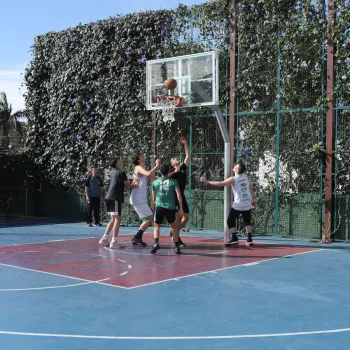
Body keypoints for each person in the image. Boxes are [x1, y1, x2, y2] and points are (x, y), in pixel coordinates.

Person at [200, 162, 256, 246]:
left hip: (238, 204)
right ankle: (249, 239)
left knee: (230, 220)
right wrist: (253, 200)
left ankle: (234, 238)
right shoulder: (246, 176)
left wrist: (207, 181)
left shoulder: (233, 179)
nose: (233, 166)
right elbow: (251, 188)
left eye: (235, 166)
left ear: (237, 170)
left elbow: (221, 184)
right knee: (247, 221)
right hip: (247, 203)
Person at [99, 157, 139, 249]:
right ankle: (114, 241)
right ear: (117, 163)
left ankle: (104, 238)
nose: (122, 161)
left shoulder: (113, 173)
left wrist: (132, 184)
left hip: (109, 197)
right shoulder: (121, 173)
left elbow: (121, 185)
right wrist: (135, 185)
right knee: (117, 219)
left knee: (113, 219)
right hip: (114, 198)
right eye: (119, 160)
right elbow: (128, 186)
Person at [150, 163, 183, 254]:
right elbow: (179, 195)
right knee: (174, 228)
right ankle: (176, 246)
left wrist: (152, 208)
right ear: (168, 171)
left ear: (159, 171)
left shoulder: (155, 182)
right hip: (170, 208)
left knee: (157, 226)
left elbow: (153, 198)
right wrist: (181, 208)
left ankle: (156, 243)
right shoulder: (173, 182)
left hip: (159, 207)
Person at [130, 153, 160, 247]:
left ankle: (137, 237)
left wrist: (166, 178)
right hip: (138, 198)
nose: (144, 156)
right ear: (138, 159)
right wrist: (157, 166)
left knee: (147, 219)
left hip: (139, 199)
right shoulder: (138, 167)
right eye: (141, 156)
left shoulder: (141, 169)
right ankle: (137, 237)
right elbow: (148, 174)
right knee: (150, 218)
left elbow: (153, 177)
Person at [169, 137, 190, 247]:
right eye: (173, 158)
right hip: (174, 196)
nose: (175, 158)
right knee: (177, 218)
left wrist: (185, 144)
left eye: (175, 158)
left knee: (186, 216)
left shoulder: (182, 168)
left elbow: (188, 157)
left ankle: (174, 232)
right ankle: (177, 239)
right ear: (172, 164)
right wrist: (173, 172)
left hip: (181, 194)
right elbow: (164, 177)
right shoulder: (171, 172)